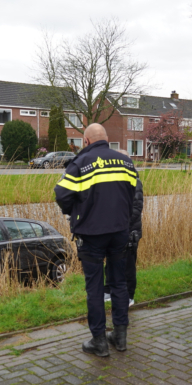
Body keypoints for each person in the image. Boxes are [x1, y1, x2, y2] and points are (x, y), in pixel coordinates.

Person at [54, 124, 138, 357]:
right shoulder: (126, 162)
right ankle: (120, 337)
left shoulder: (81, 163)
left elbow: (61, 195)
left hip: (92, 233)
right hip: (120, 231)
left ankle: (99, 341)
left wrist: (76, 211)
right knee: (119, 283)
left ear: (87, 141)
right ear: (107, 139)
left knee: (95, 287)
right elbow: (132, 193)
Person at [104, 149, 143, 306]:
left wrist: (121, 226)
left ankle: (129, 296)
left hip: (129, 231)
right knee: (111, 261)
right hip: (112, 229)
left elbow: (136, 207)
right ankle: (108, 290)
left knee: (127, 264)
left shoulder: (134, 181)